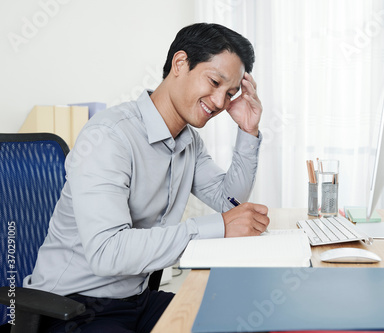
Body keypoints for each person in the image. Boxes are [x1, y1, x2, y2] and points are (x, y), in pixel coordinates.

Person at [24, 22, 269, 333]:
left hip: (136, 299)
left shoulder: (189, 142)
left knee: (244, 322)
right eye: (214, 82)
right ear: (180, 63)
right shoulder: (110, 136)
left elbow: (228, 200)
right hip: (71, 308)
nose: (220, 102)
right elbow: (107, 252)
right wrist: (217, 226)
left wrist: (248, 131)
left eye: (230, 93)